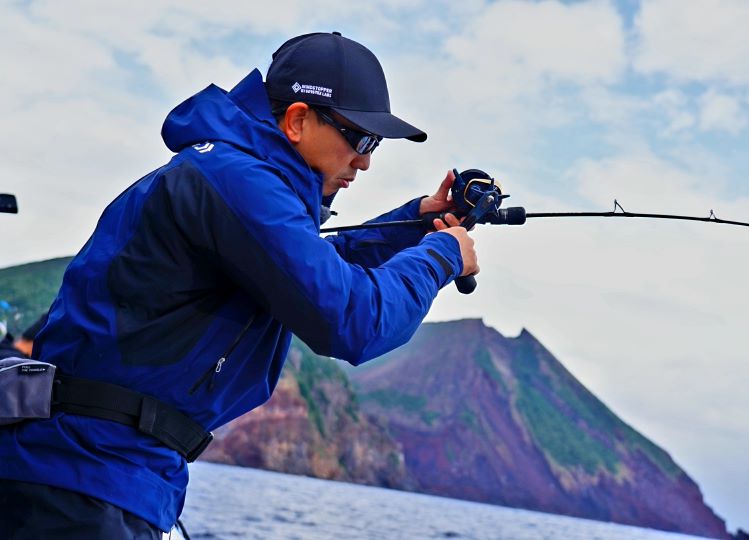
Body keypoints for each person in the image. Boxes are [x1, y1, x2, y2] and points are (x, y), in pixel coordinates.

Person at [0, 32, 478, 539]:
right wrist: (442, 256)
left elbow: (312, 270)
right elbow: (353, 320)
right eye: (360, 138)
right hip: (87, 479)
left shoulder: (233, 177)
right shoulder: (238, 180)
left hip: (98, 475)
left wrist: (415, 224)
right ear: (297, 120)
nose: (365, 161)